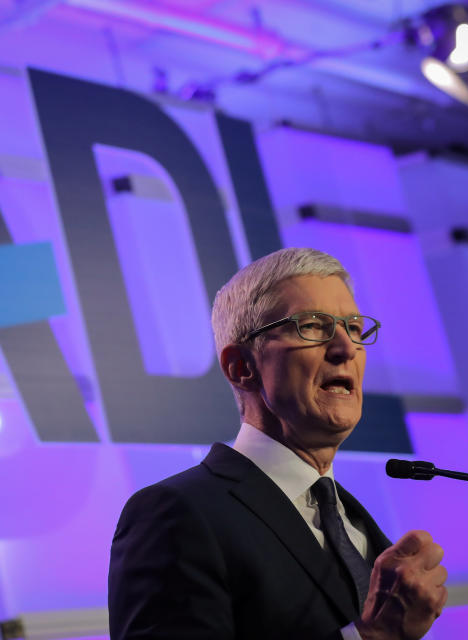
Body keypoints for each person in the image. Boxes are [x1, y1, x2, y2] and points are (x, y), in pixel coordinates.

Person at [108, 247, 448, 640]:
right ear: (241, 367)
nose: (346, 349)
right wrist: (372, 636)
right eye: (313, 326)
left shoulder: (354, 523)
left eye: (354, 328)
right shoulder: (175, 514)